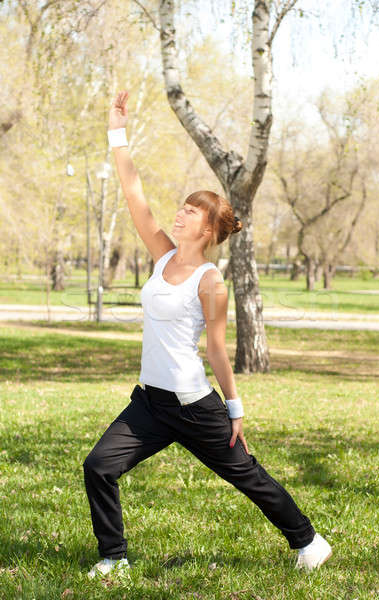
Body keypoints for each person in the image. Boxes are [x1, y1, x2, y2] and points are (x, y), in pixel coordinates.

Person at [83, 91, 332, 579]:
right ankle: (113, 558)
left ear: (209, 229)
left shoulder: (210, 280)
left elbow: (217, 348)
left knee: (248, 476)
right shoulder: (160, 256)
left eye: (191, 213)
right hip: (150, 403)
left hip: (194, 405)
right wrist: (118, 134)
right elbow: (134, 194)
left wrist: (234, 407)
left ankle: (308, 541)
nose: (179, 215)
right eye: (180, 208)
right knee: (99, 466)